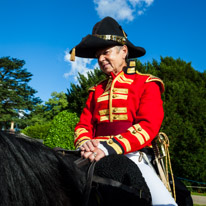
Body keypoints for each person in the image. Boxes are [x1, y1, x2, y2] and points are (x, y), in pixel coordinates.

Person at [70, 16, 177, 206]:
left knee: (165, 204)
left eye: (106, 52)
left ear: (124, 51)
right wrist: (85, 143)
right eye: (98, 55)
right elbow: (83, 125)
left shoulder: (146, 83)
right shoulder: (96, 91)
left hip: (133, 155)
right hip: (91, 153)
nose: (101, 59)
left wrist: (107, 148)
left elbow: (148, 126)